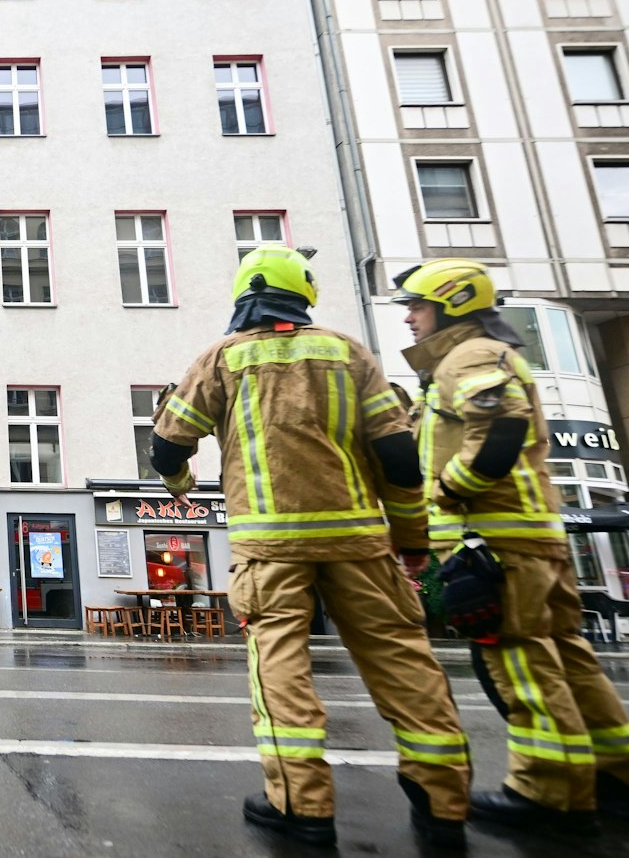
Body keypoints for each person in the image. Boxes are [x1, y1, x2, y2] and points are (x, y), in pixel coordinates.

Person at [153, 245, 469, 850]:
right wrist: (412, 545)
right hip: (360, 542)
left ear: (244, 295)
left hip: (270, 549)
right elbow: (400, 460)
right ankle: (443, 801)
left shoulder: (223, 359)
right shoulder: (351, 354)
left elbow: (168, 445)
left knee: (280, 670)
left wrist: (181, 487)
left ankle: (302, 807)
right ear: (306, 297)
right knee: (405, 665)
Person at [393, 258, 629, 832]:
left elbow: (499, 432)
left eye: (417, 306)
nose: (409, 318)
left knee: (522, 666)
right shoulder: (475, 358)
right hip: (526, 540)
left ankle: (551, 793)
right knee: (570, 661)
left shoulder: (471, 357)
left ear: (454, 305)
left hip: (496, 547)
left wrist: (447, 492)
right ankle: (615, 778)